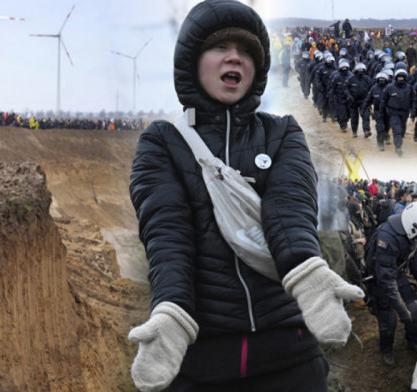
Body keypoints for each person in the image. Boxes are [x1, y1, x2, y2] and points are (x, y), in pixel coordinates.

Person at [128, 2, 365, 390]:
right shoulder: (162, 143)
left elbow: (290, 209)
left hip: (290, 353)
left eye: (246, 50)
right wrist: (171, 310)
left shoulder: (282, 134)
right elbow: (167, 233)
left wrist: (308, 273)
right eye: (220, 47)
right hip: (202, 361)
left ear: (257, 69)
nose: (234, 56)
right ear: (191, 60)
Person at [364, 201, 417, 366]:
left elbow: (410, 256)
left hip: (396, 274)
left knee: (413, 310)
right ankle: (386, 349)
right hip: (380, 280)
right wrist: (401, 309)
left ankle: (412, 341)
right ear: (413, 227)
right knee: (389, 319)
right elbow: (386, 279)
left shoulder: (410, 231)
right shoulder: (387, 238)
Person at [380, 69, 415, 156]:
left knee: (402, 130)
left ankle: (399, 141)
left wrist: (413, 112)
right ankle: (398, 147)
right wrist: (381, 111)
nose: (400, 78)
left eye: (402, 77)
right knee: (397, 130)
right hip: (393, 112)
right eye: (399, 77)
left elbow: (414, 100)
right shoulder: (389, 87)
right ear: (396, 77)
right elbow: (383, 100)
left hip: (405, 112)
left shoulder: (409, 88)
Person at [346, 63, 372, 139]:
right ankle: (354, 131)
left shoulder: (367, 79)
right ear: (356, 70)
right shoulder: (351, 79)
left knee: (366, 115)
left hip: (364, 100)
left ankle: (366, 130)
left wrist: (369, 100)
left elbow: (371, 89)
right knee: (354, 116)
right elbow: (345, 88)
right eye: (359, 69)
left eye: (362, 69)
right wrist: (349, 96)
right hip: (353, 100)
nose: (360, 71)